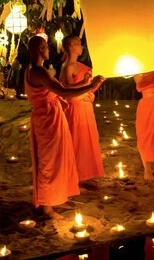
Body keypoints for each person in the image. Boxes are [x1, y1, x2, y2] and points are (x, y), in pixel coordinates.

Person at [25, 35, 104, 219]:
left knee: (62, 158)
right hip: (47, 119)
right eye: (45, 47)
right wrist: (89, 85)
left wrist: (88, 86)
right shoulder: (38, 71)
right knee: (50, 162)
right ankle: (47, 207)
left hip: (53, 116)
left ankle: (59, 197)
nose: (48, 50)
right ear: (38, 49)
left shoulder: (38, 70)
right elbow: (63, 90)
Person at [58, 34, 106, 189]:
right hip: (75, 108)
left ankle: (85, 174)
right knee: (77, 141)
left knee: (87, 140)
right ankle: (76, 175)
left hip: (85, 106)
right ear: (71, 46)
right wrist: (86, 83)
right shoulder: (68, 66)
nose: (81, 47)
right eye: (78, 44)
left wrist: (94, 84)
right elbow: (67, 88)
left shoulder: (80, 65)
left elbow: (88, 86)